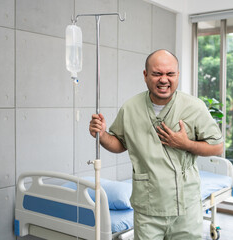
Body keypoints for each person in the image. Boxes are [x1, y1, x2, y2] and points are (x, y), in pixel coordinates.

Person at [89, 49, 223, 240]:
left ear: (177, 75)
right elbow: (119, 144)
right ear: (145, 75)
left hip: (185, 206)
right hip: (148, 206)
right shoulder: (131, 108)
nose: (164, 79)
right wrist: (102, 135)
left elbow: (217, 147)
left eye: (170, 74)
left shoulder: (194, 107)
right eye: (157, 73)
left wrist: (185, 144)